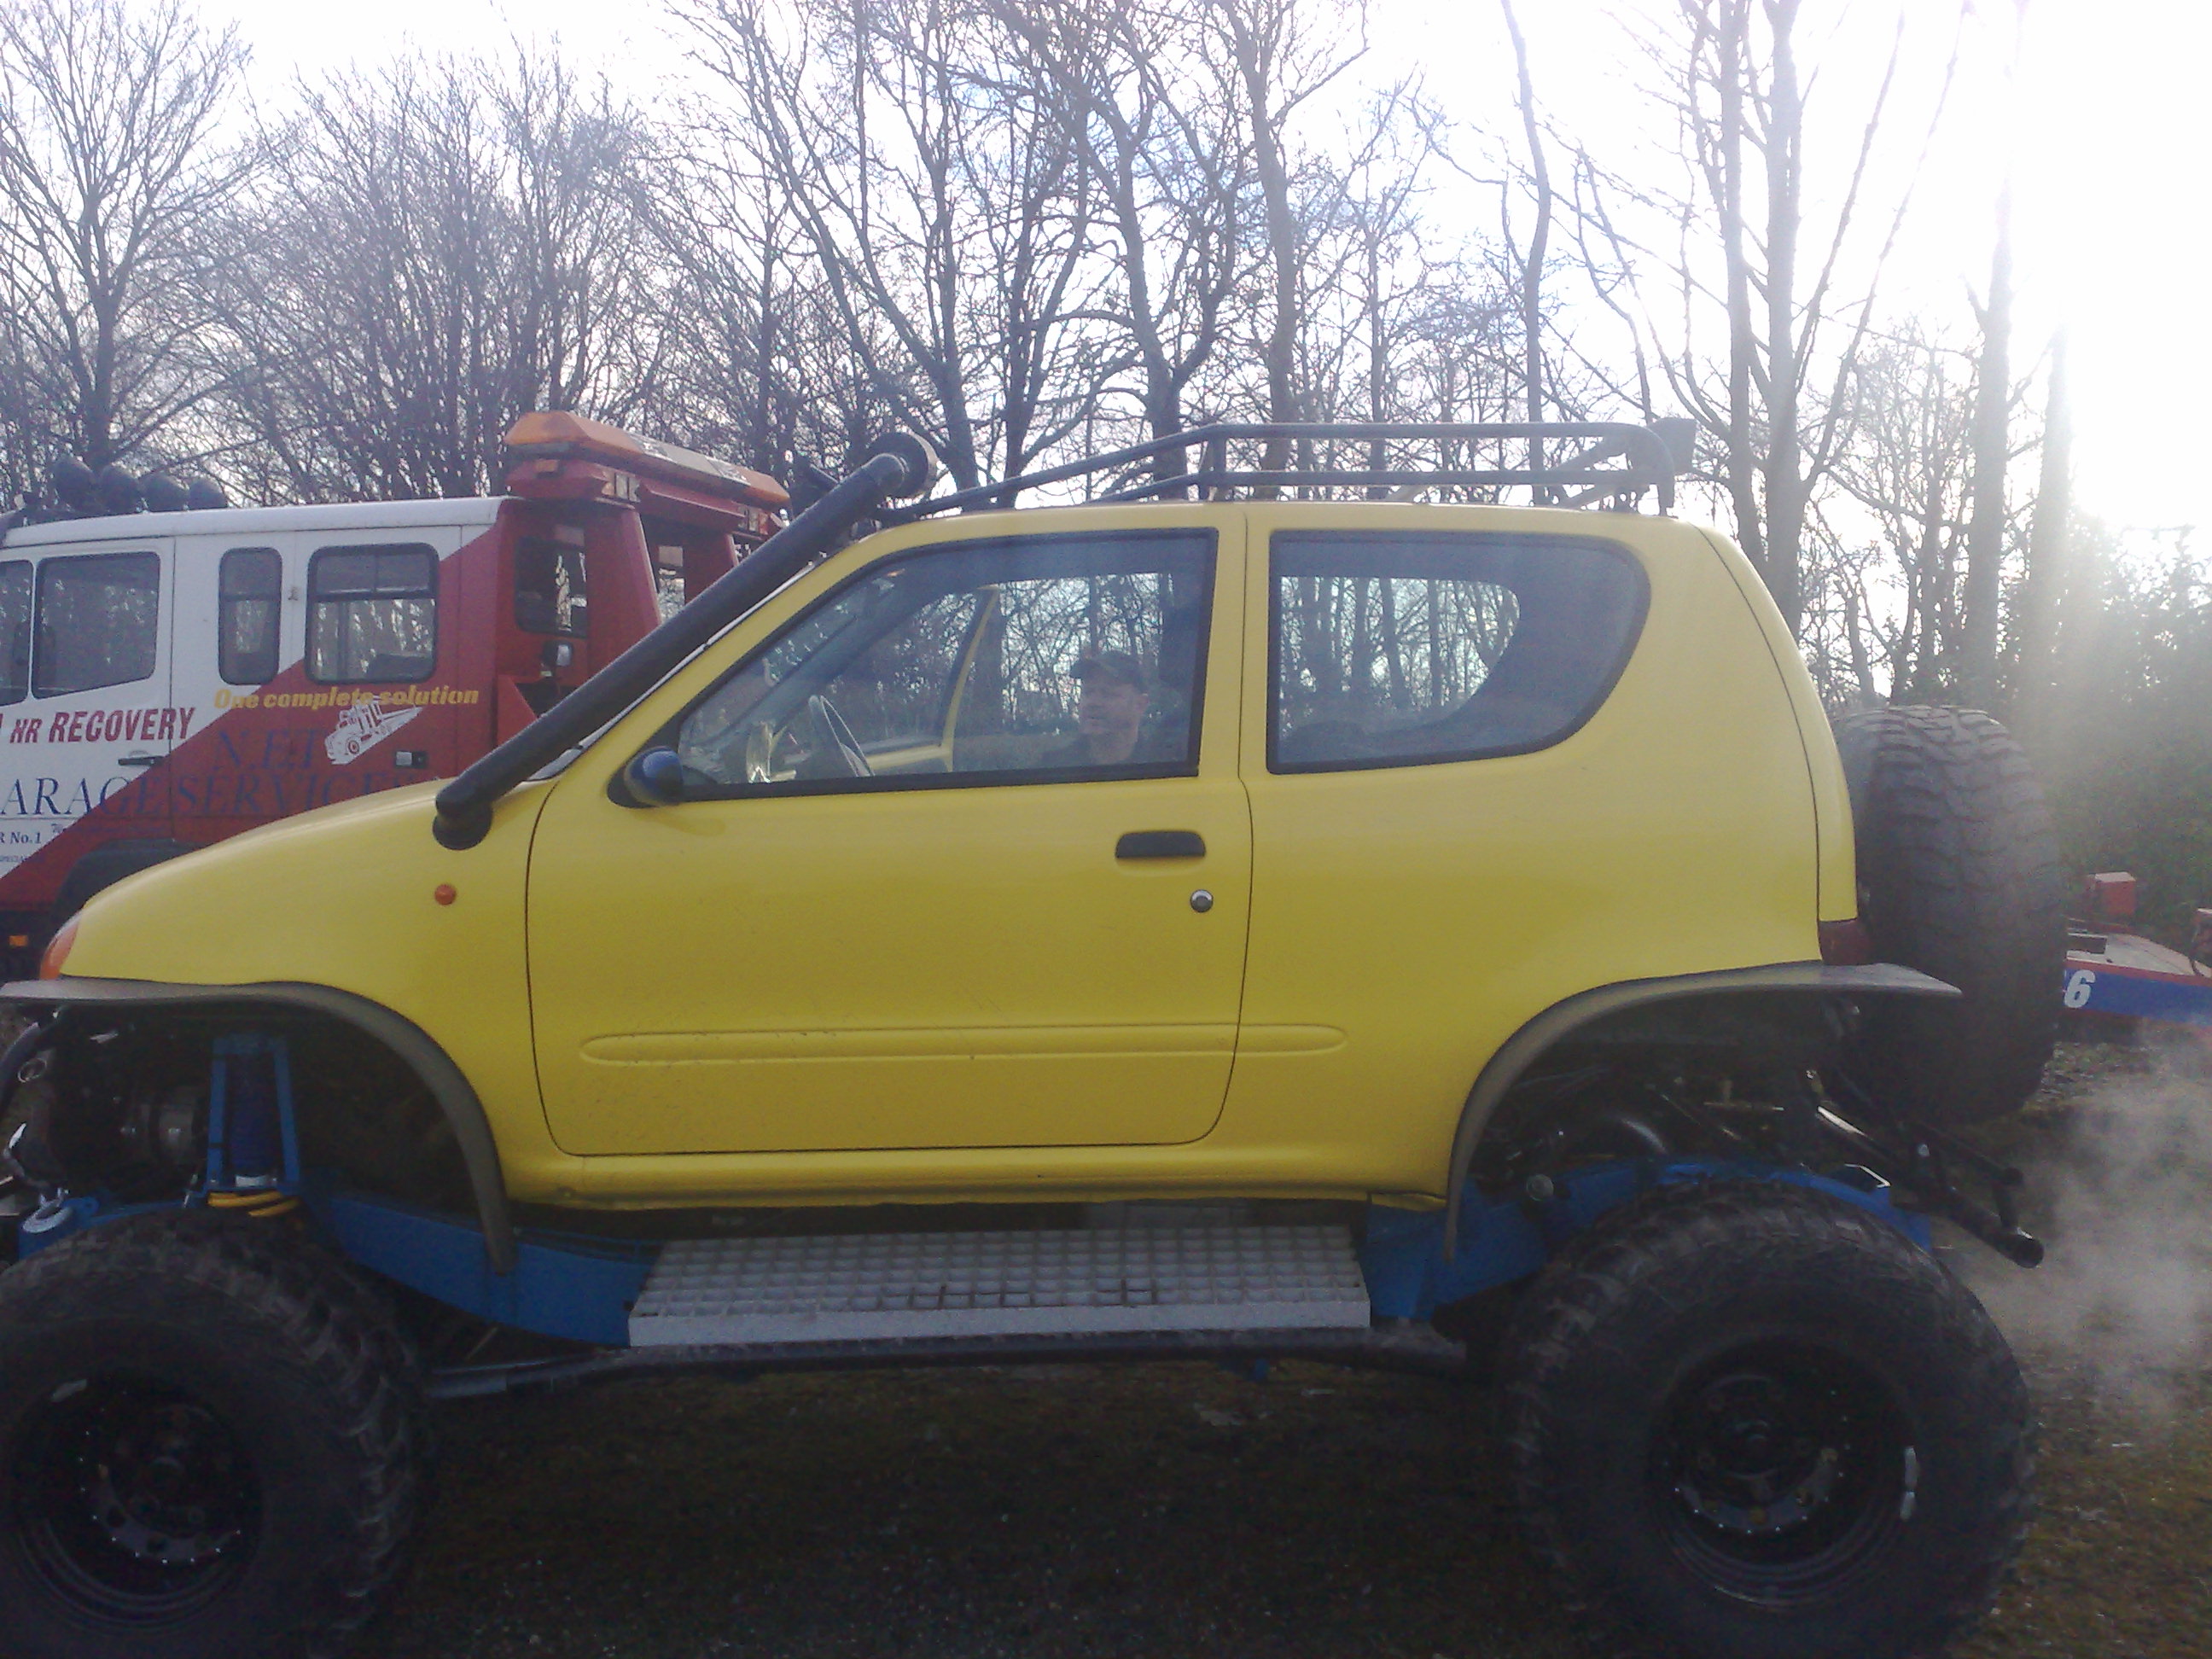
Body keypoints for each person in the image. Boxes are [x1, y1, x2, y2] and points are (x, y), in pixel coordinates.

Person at [1043, 649, 1154, 767]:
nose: (1093, 703)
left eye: (1108, 694)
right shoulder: (1051, 769)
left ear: (1140, 704)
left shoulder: (1164, 767)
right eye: (1087, 692)